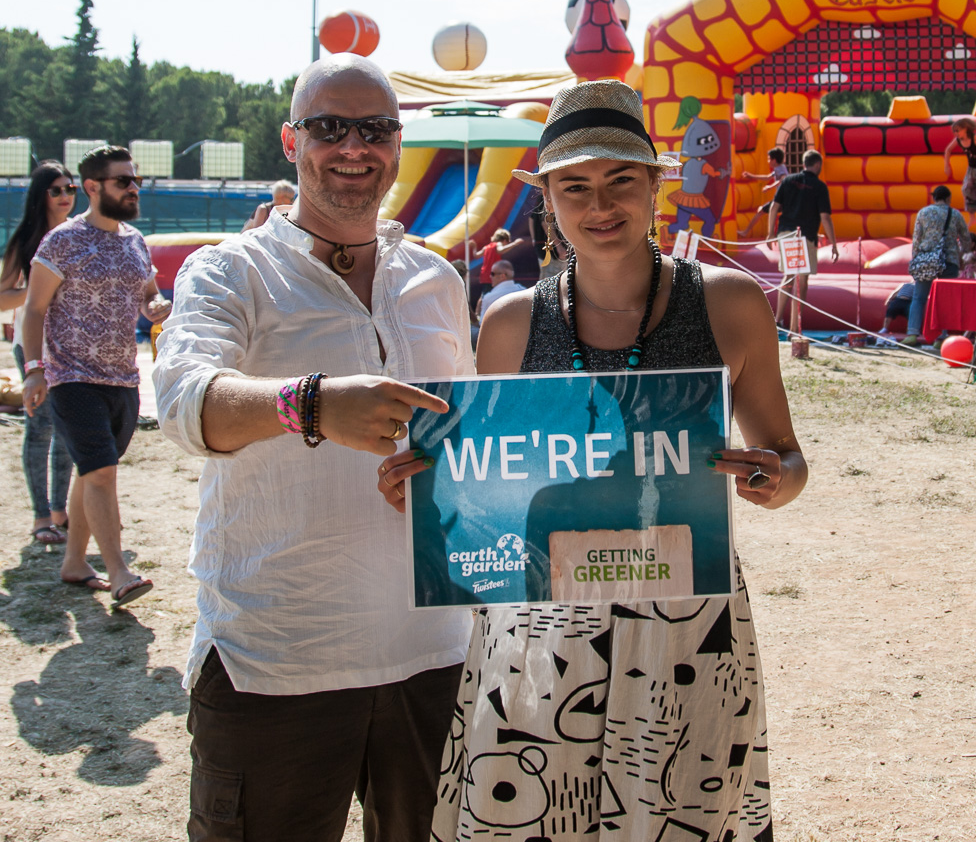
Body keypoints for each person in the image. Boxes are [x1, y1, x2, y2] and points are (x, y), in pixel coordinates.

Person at [374, 78, 808, 842]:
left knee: (681, 813)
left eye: (620, 181)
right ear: (547, 198)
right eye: (575, 186)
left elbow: (790, 457)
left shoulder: (731, 304)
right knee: (536, 812)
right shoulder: (510, 322)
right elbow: (491, 492)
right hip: (541, 622)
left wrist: (773, 480)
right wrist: (428, 492)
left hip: (684, 620)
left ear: (654, 187)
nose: (599, 205)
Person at [152, 54, 475, 841]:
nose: (353, 147)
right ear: (291, 140)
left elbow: (468, 440)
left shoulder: (436, 280)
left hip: (437, 657)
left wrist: (448, 478)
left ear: (398, 143)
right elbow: (184, 404)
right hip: (275, 663)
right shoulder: (230, 271)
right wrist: (314, 404)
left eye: (375, 129)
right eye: (330, 127)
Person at [20, 145, 170, 602]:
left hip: (123, 380)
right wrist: (34, 370)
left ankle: (73, 562)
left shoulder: (135, 240)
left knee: (91, 473)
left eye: (135, 180)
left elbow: (148, 293)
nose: (133, 188)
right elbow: (34, 309)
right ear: (92, 186)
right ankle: (120, 572)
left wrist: (155, 305)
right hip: (72, 378)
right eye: (123, 181)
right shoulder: (62, 241)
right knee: (102, 473)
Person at [1, 161, 77, 546]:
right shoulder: (26, 240)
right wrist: (37, 291)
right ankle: (40, 516)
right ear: (40, 195)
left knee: (66, 429)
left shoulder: (79, 234)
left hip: (71, 346)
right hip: (34, 346)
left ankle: (60, 511)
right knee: (41, 425)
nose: (65, 196)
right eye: (56, 190)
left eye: (70, 189)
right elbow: (2, 298)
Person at [766, 148, 838, 329]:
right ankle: (795, 326)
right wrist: (833, 243)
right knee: (802, 280)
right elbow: (825, 217)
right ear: (818, 165)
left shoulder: (788, 181)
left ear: (804, 163)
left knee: (789, 276)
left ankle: (777, 320)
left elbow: (774, 207)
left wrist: (770, 232)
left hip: (786, 233)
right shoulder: (819, 187)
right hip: (805, 236)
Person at [902, 185, 968, 346]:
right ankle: (941, 336)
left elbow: (917, 238)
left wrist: (916, 259)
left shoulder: (923, 213)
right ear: (948, 198)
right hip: (948, 259)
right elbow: (965, 238)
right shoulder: (955, 214)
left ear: (934, 197)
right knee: (945, 299)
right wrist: (963, 256)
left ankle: (912, 333)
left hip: (926, 260)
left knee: (919, 297)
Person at [943, 117, 976, 214]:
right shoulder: (958, 140)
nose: (956, 133)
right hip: (972, 167)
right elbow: (948, 150)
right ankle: (972, 212)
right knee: (966, 188)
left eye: (958, 131)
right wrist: (946, 166)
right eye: (954, 131)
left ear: (965, 129)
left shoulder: (975, 137)